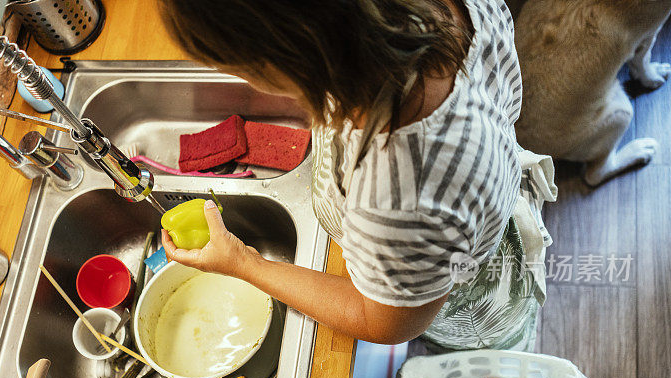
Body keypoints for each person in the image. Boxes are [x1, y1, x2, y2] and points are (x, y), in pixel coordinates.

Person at [157, 0, 555, 351]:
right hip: (464, 217)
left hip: (468, 297)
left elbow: (382, 321)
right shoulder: (382, 34)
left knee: (478, 362)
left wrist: (244, 263)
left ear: (290, 56)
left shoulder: (396, 194)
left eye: (236, 65)